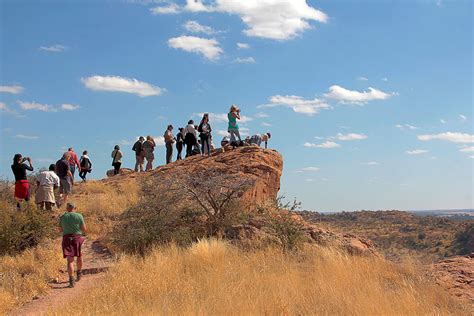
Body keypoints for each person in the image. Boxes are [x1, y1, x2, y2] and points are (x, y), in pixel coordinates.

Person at [59, 202, 87, 288]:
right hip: (77, 238)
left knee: (70, 260)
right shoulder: (79, 216)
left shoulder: (63, 217)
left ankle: (71, 280)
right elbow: (84, 229)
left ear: (67, 208)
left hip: (67, 239)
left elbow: (60, 230)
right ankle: (79, 273)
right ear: (75, 208)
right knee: (79, 255)